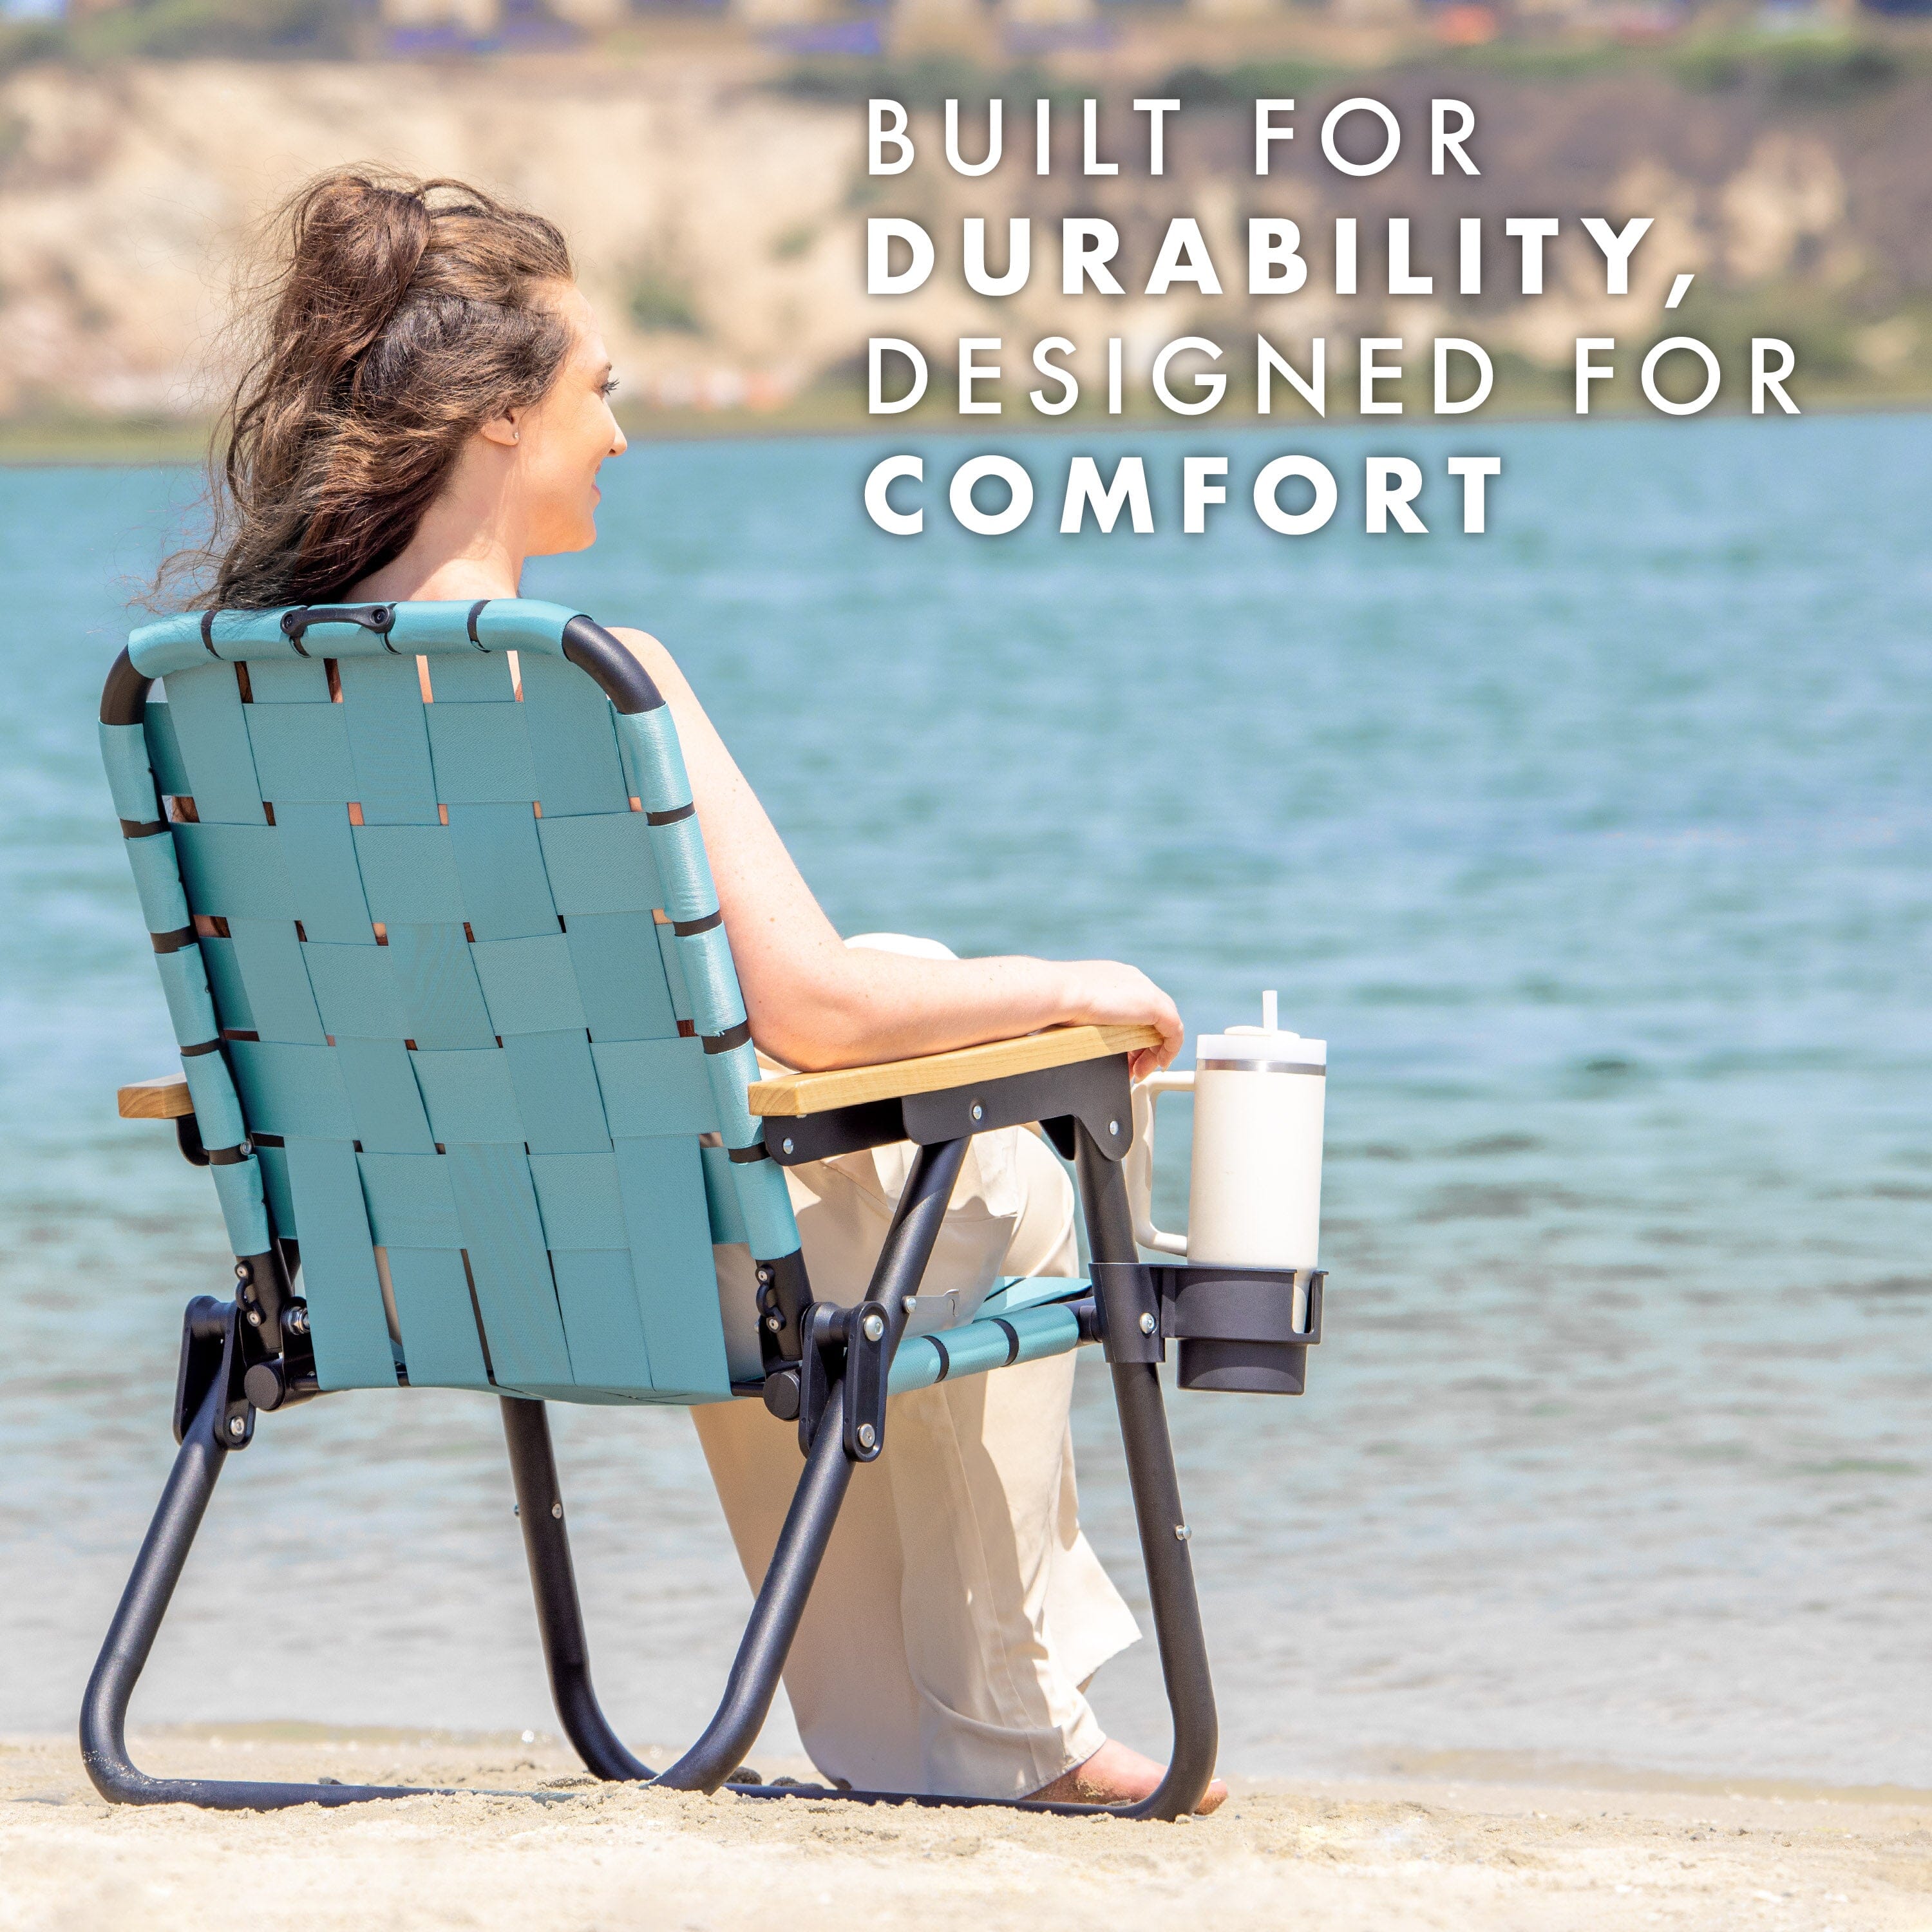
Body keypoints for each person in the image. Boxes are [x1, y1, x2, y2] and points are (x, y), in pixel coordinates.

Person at [171, 168, 1221, 1811]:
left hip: (414, 1272)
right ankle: (1010, 1726)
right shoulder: (584, 678)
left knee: (867, 1043)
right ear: (502, 413)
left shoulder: (234, 696)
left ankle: (901, 1737)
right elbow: (814, 1019)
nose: (619, 433)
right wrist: (1081, 987)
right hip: (663, 1275)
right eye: (600, 390)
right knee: (1008, 1161)